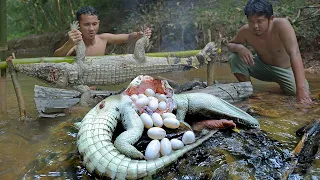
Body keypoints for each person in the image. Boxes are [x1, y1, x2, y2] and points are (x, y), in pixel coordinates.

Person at [227, 0, 312, 105]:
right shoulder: (245, 31)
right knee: (234, 58)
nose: (255, 26)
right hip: (262, 66)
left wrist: (302, 89)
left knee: (298, 92)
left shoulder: (282, 25)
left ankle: (285, 85)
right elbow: (230, 45)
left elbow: (295, 53)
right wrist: (239, 48)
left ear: (271, 19)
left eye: (259, 21)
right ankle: (248, 91)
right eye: (251, 21)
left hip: (284, 69)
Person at [54, 6, 152, 57]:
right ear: (79, 25)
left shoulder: (104, 38)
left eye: (94, 24)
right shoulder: (75, 43)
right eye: (86, 24)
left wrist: (139, 35)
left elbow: (128, 37)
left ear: (99, 23)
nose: (91, 28)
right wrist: (69, 43)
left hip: (99, 88)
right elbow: (56, 58)